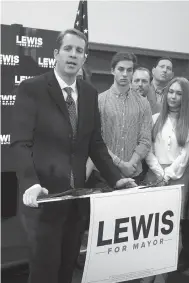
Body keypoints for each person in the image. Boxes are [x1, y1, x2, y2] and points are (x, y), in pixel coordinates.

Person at [10, 29, 136, 283]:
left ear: (85, 57)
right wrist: (30, 182)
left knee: (67, 271)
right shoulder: (32, 89)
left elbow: (95, 144)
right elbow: (20, 144)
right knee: (44, 273)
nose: (73, 54)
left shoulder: (89, 93)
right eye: (68, 49)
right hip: (43, 199)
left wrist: (116, 178)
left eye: (79, 51)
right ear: (56, 54)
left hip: (76, 200)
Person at [141, 77, 189, 283]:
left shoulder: (187, 123)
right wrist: (159, 172)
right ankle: (147, 272)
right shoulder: (154, 118)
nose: (173, 97)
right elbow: (147, 149)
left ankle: (162, 274)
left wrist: (168, 174)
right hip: (154, 175)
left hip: (178, 179)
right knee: (150, 228)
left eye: (179, 93)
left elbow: (186, 154)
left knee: (171, 230)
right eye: (171, 92)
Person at [86, 52, 152, 187]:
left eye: (129, 70)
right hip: (103, 174)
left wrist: (130, 164)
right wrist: (121, 164)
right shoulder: (99, 101)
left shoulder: (144, 103)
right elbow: (97, 140)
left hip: (134, 173)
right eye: (121, 69)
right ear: (112, 71)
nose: (125, 74)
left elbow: (145, 140)